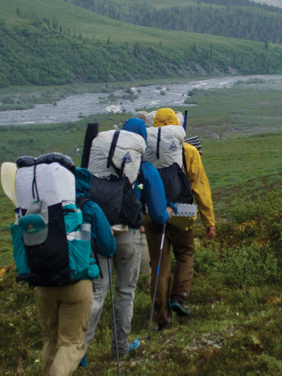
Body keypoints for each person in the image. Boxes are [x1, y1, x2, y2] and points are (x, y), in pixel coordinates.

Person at [84, 117, 172, 361]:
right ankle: (120, 349)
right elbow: (157, 213)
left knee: (98, 292)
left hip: (99, 229)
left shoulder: (100, 164)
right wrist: (168, 212)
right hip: (128, 233)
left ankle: (78, 351)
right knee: (125, 292)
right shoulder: (145, 169)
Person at [35, 167, 116, 376]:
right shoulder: (89, 207)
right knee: (71, 344)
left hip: (43, 282)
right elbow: (108, 247)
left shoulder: (42, 207)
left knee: (52, 342)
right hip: (77, 283)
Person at [145, 108, 216, 330]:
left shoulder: (144, 150)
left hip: (151, 214)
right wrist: (209, 222)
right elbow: (200, 188)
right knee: (185, 253)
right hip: (181, 214)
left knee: (159, 265)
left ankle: (163, 318)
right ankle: (180, 296)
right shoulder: (188, 151)